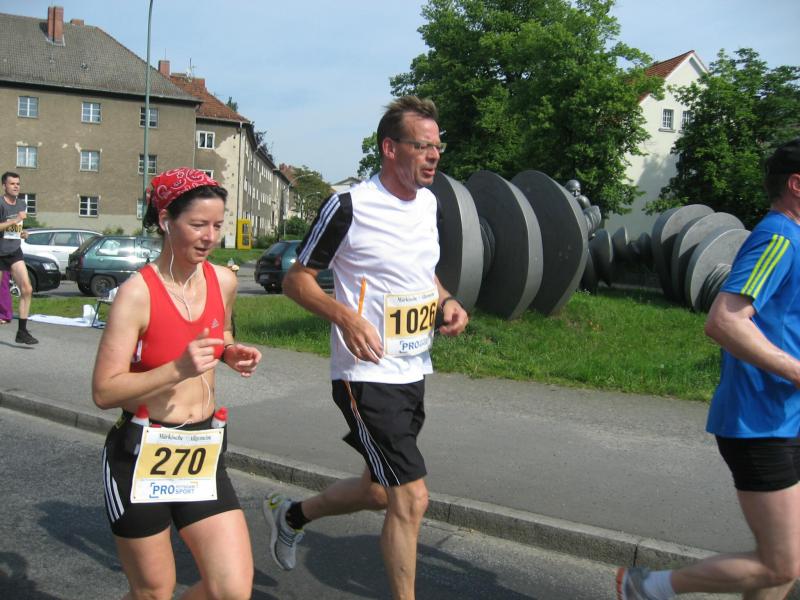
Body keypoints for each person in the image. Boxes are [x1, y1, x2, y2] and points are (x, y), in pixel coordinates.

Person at [263, 96, 469, 600]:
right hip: (365, 374)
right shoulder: (350, 206)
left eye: (438, 147)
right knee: (411, 498)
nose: (434, 156)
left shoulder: (429, 204)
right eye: (422, 146)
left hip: (412, 367)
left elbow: (422, 273)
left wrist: (446, 300)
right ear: (390, 148)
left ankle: (291, 516)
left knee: (379, 489)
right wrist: (345, 317)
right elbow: (296, 280)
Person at [617, 137, 800, 600]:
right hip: (760, 423)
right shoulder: (779, 237)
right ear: (797, 184)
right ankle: (650, 586)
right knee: (781, 563)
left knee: (782, 564)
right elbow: (725, 321)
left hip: (787, 416)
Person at [92, 168, 261, 600]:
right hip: (142, 451)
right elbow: (104, 391)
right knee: (154, 591)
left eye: (218, 225)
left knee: (232, 589)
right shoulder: (137, 293)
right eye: (199, 224)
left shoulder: (223, 280)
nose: (210, 237)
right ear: (167, 221)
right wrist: (177, 369)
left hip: (201, 447)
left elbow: (220, 332)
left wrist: (229, 352)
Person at [0, 171, 37, 344]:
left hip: (14, 251)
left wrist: (23, 233)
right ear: (4, 186)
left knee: (27, 289)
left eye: (18, 184)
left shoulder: (21, 203)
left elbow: (16, 229)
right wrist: (15, 220)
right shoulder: (0, 203)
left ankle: (22, 332)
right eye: (12, 183)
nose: (16, 186)